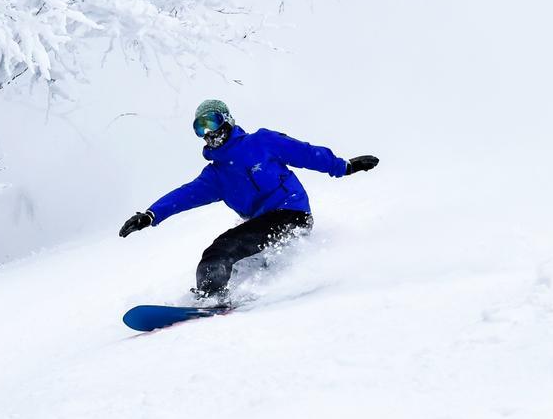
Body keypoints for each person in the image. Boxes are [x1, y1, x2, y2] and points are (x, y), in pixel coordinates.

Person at [119, 99, 378, 301]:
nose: (208, 132)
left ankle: (212, 298)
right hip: (263, 225)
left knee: (223, 248)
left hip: (292, 214)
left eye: (211, 121)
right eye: (200, 127)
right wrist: (151, 215)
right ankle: (222, 292)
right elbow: (184, 196)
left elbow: (306, 153)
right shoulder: (216, 175)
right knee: (224, 255)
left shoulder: (262, 142)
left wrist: (344, 167)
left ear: (227, 120)